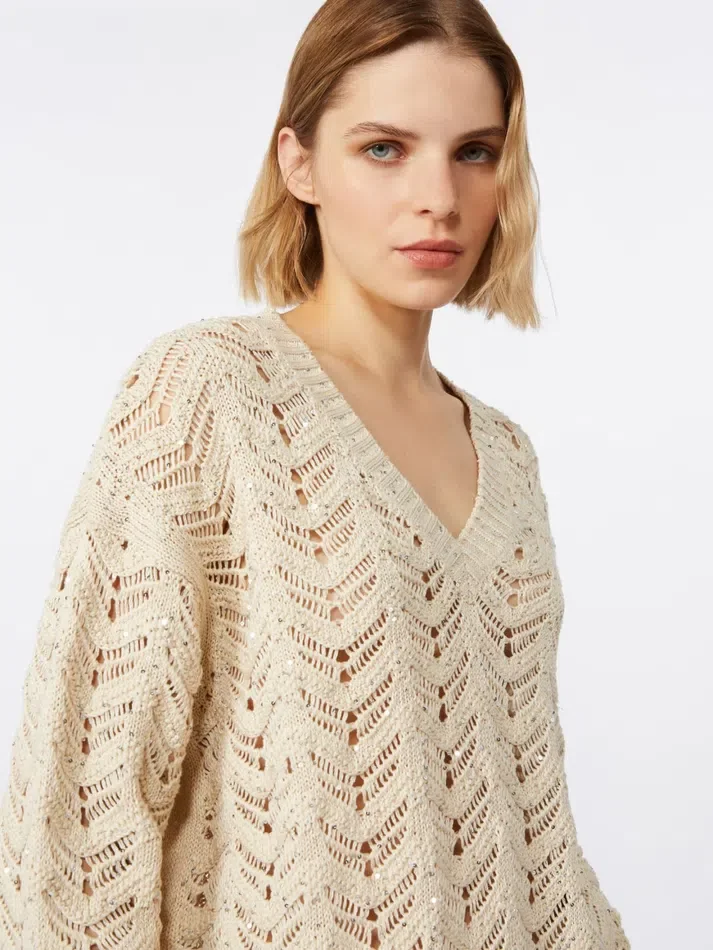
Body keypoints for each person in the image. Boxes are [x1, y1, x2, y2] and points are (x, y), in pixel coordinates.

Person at [0, 1, 631, 948]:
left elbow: (525, 813)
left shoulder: (505, 452)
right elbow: (84, 803)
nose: (438, 197)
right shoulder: (206, 392)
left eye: (474, 152)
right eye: (384, 148)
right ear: (299, 164)